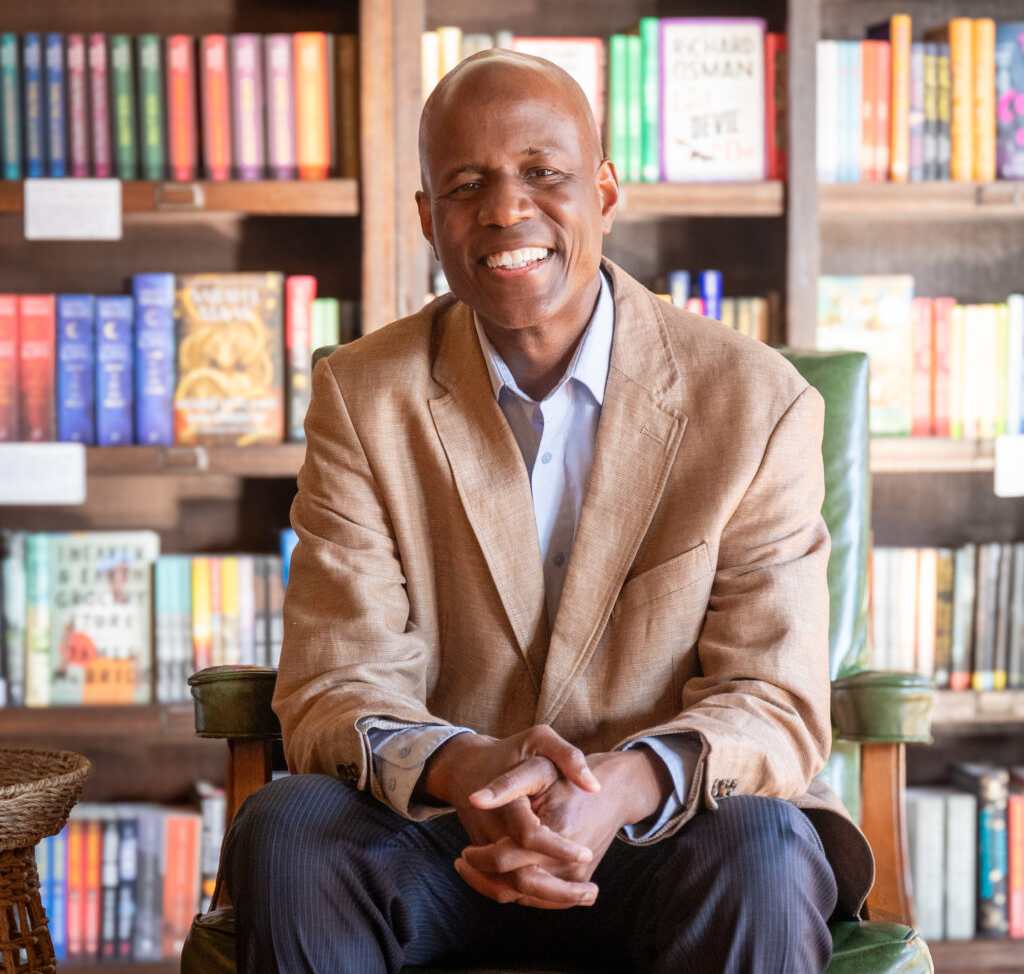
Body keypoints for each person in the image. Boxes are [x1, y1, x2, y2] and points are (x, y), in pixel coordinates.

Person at [224, 49, 874, 974]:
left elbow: (775, 699)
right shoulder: (363, 397)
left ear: (604, 190)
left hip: (666, 836)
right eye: (465, 184)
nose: (504, 210)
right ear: (427, 219)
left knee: (765, 848)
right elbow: (336, 680)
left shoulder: (756, 402)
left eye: (543, 174)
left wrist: (620, 785)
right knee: (287, 828)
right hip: (445, 832)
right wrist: (470, 769)